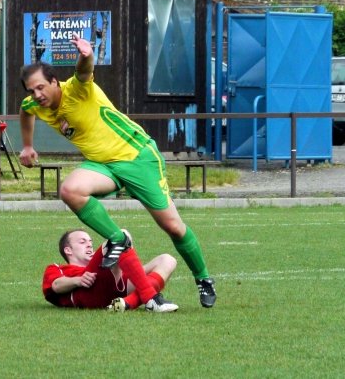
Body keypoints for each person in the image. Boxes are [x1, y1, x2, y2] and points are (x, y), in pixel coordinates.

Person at [19, 35, 216, 308]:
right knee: (69, 190)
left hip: (137, 157)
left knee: (172, 226)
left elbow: (84, 71)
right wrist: (27, 146)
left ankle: (204, 279)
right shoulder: (35, 105)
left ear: (54, 81)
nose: (36, 95)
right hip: (103, 166)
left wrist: (87, 54)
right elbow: (25, 111)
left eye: (41, 87)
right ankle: (117, 239)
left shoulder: (77, 90)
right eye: (31, 90)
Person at [42, 229, 178, 312]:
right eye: (82, 242)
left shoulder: (106, 260)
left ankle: (128, 303)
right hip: (90, 291)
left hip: (117, 284)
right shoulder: (57, 268)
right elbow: (56, 285)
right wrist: (77, 280)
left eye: (90, 241)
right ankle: (150, 298)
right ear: (68, 250)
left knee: (167, 260)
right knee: (120, 236)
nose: (89, 244)